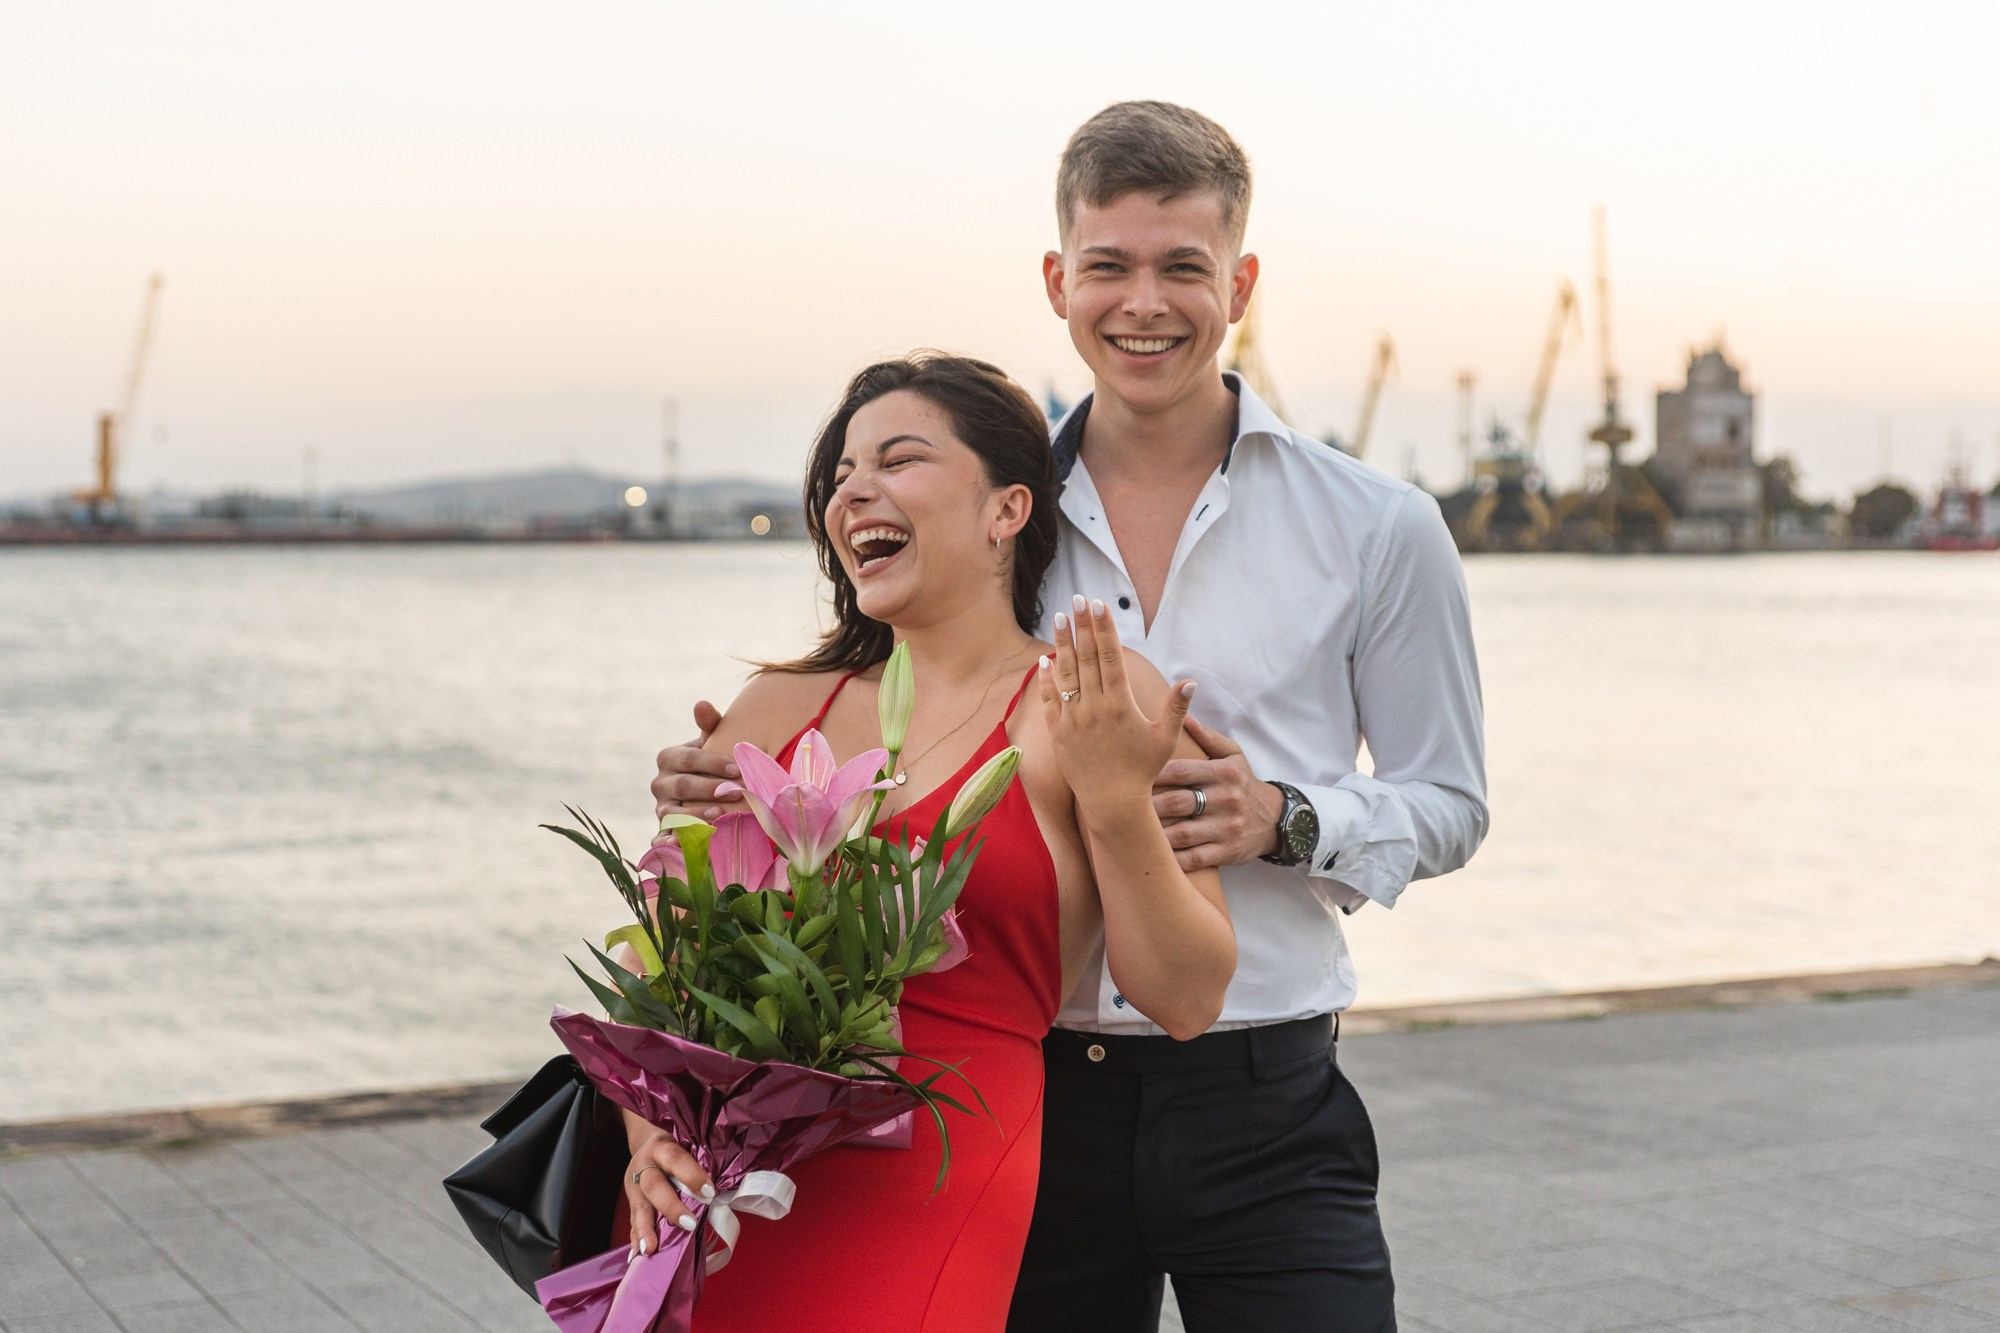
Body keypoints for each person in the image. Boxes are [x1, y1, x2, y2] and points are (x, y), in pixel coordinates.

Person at [657, 103, 1487, 1333]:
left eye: (1180, 268)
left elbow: (1448, 800)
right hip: (1014, 1099)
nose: (1140, 302)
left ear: (1239, 283)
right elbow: (878, 713)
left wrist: (1284, 816)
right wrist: (735, 796)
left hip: (1261, 1092)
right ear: (1057, 280)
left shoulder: (1377, 526)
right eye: (1107, 266)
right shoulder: (972, 506)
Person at [622, 352, 1236, 1333]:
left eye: (897, 459)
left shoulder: (1091, 693)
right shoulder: (779, 706)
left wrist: (1117, 803)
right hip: (724, 1175)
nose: (850, 489)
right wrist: (651, 1127)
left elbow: (1186, 996)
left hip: (945, 1167)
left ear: (1006, 510)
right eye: (837, 476)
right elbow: (662, 958)